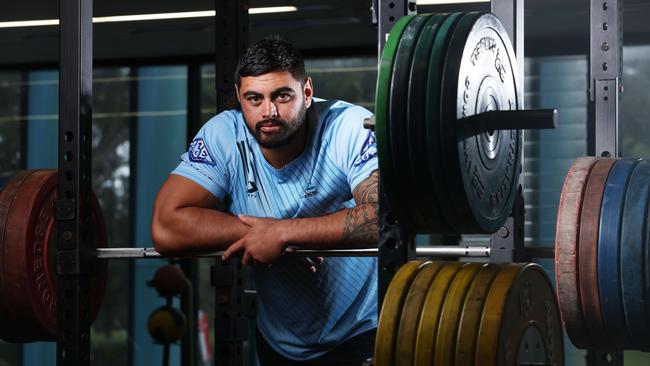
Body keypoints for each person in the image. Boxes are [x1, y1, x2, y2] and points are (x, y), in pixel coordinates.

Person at [151, 37, 379, 365]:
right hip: (278, 343)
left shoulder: (347, 126)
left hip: (358, 333)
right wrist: (260, 234)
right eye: (254, 98)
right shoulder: (225, 136)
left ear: (307, 92)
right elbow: (165, 227)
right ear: (239, 99)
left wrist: (285, 233)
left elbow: (386, 217)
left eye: (282, 96)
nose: (268, 111)